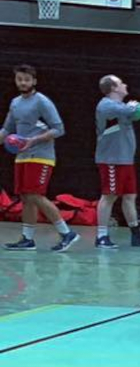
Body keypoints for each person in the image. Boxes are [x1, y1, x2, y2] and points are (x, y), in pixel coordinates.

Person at [2, 65, 77, 253]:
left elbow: (59, 129)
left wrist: (33, 140)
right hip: (22, 157)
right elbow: (7, 129)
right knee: (26, 197)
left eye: (26, 79)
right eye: (19, 79)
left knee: (35, 195)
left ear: (34, 81)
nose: (23, 82)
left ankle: (67, 233)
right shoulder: (15, 103)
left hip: (41, 156)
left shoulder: (42, 101)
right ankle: (27, 239)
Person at [92, 74, 140, 250]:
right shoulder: (106, 105)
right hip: (111, 159)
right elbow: (131, 110)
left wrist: (132, 107)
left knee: (130, 196)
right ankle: (102, 236)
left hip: (125, 159)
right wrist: (132, 106)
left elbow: (133, 111)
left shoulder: (121, 107)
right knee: (109, 196)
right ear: (113, 88)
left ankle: (135, 233)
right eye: (121, 83)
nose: (125, 85)